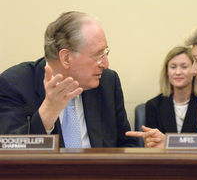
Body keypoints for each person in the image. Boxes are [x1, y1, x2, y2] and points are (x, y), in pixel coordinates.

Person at [0, 11, 136, 148]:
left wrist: (154, 153)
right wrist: (49, 111)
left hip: (98, 170)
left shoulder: (108, 82)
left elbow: (126, 145)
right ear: (66, 58)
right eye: (97, 55)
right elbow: (9, 151)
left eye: (105, 52)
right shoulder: (13, 84)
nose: (105, 64)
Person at [146, 46, 197, 134]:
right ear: (167, 71)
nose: (178, 72)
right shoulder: (153, 106)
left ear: (194, 70)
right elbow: (152, 144)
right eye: (173, 67)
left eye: (184, 67)